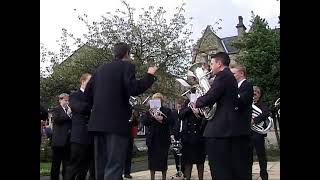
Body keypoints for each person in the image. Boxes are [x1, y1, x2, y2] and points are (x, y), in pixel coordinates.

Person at [85, 42, 157, 180]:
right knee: (114, 166)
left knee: (100, 166)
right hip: (116, 124)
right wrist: (149, 76)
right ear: (127, 54)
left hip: (97, 124)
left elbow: (87, 95)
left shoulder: (100, 69)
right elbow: (133, 89)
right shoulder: (127, 66)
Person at [193, 52, 251, 180]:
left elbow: (211, 96)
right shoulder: (227, 76)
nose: (210, 67)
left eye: (212, 63)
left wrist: (196, 102)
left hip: (221, 130)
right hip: (224, 128)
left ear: (219, 64)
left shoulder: (223, 76)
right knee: (225, 167)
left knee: (219, 168)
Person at [65, 73, 95, 180]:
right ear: (83, 82)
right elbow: (80, 108)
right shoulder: (74, 95)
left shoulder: (93, 96)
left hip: (90, 136)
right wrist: (92, 107)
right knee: (74, 166)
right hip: (79, 137)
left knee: (85, 167)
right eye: (89, 82)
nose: (92, 84)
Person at [141, 93, 173, 180]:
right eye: (154, 100)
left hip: (163, 140)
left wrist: (162, 119)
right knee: (152, 162)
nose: (156, 102)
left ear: (161, 101)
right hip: (152, 140)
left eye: (158, 100)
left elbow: (171, 121)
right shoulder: (149, 111)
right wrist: (153, 117)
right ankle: (152, 178)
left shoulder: (167, 110)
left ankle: (164, 178)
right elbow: (144, 121)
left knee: (163, 161)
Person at [231, 64, 254, 180]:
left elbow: (242, 100)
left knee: (244, 160)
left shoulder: (247, 85)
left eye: (233, 73)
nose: (231, 76)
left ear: (241, 73)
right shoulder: (236, 86)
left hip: (242, 127)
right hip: (234, 127)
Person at [179, 99, 207, 180]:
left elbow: (206, 116)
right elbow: (181, 115)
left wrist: (199, 112)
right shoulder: (187, 102)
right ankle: (187, 178)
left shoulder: (203, 99)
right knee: (188, 162)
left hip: (199, 137)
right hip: (187, 138)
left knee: (200, 162)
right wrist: (189, 108)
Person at [50, 93, 72, 180]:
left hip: (68, 141)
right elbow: (57, 120)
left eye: (68, 100)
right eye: (65, 100)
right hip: (58, 142)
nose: (67, 102)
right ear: (60, 100)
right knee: (56, 164)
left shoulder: (70, 110)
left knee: (66, 164)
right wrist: (68, 114)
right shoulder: (56, 109)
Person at [249, 86, 269, 180]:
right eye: (252, 93)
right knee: (248, 156)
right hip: (248, 133)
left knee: (261, 156)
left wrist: (254, 120)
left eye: (256, 93)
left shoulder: (262, 104)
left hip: (258, 134)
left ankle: (264, 175)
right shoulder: (247, 103)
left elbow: (266, 113)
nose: (254, 95)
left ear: (259, 95)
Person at [170, 98, 185, 178]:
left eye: (180, 104)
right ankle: (178, 170)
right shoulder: (174, 113)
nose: (179, 106)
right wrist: (171, 134)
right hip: (176, 135)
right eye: (178, 104)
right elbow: (171, 125)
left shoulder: (186, 112)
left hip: (184, 135)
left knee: (183, 154)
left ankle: (183, 171)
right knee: (176, 154)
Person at [123, 109, 139, 179]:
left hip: (129, 137)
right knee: (120, 156)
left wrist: (134, 117)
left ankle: (127, 173)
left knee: (128, 156)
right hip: (121, 136)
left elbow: (135, 124)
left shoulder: (130, 112)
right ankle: (118, 173)